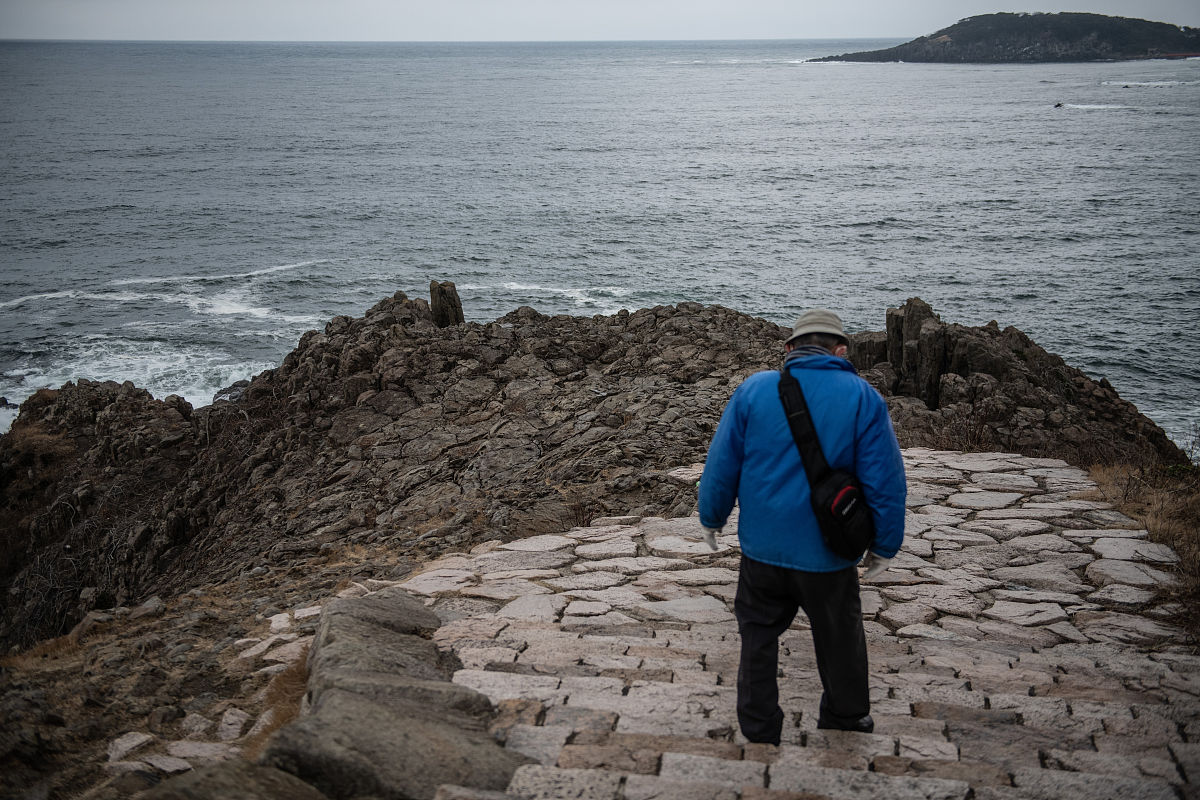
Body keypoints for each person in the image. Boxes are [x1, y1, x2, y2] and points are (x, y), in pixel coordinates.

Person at [698, 308, 906, 745]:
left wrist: (711, 518)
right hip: (828, 553)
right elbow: (884, 479)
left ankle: (759, 728)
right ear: (840, 349)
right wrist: (884, 544)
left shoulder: (754, 390)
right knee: (840, 636)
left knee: (757, 637)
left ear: (790, 349)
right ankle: (846, 717)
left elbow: (722, 464)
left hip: (763, 550)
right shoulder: (863, 397)